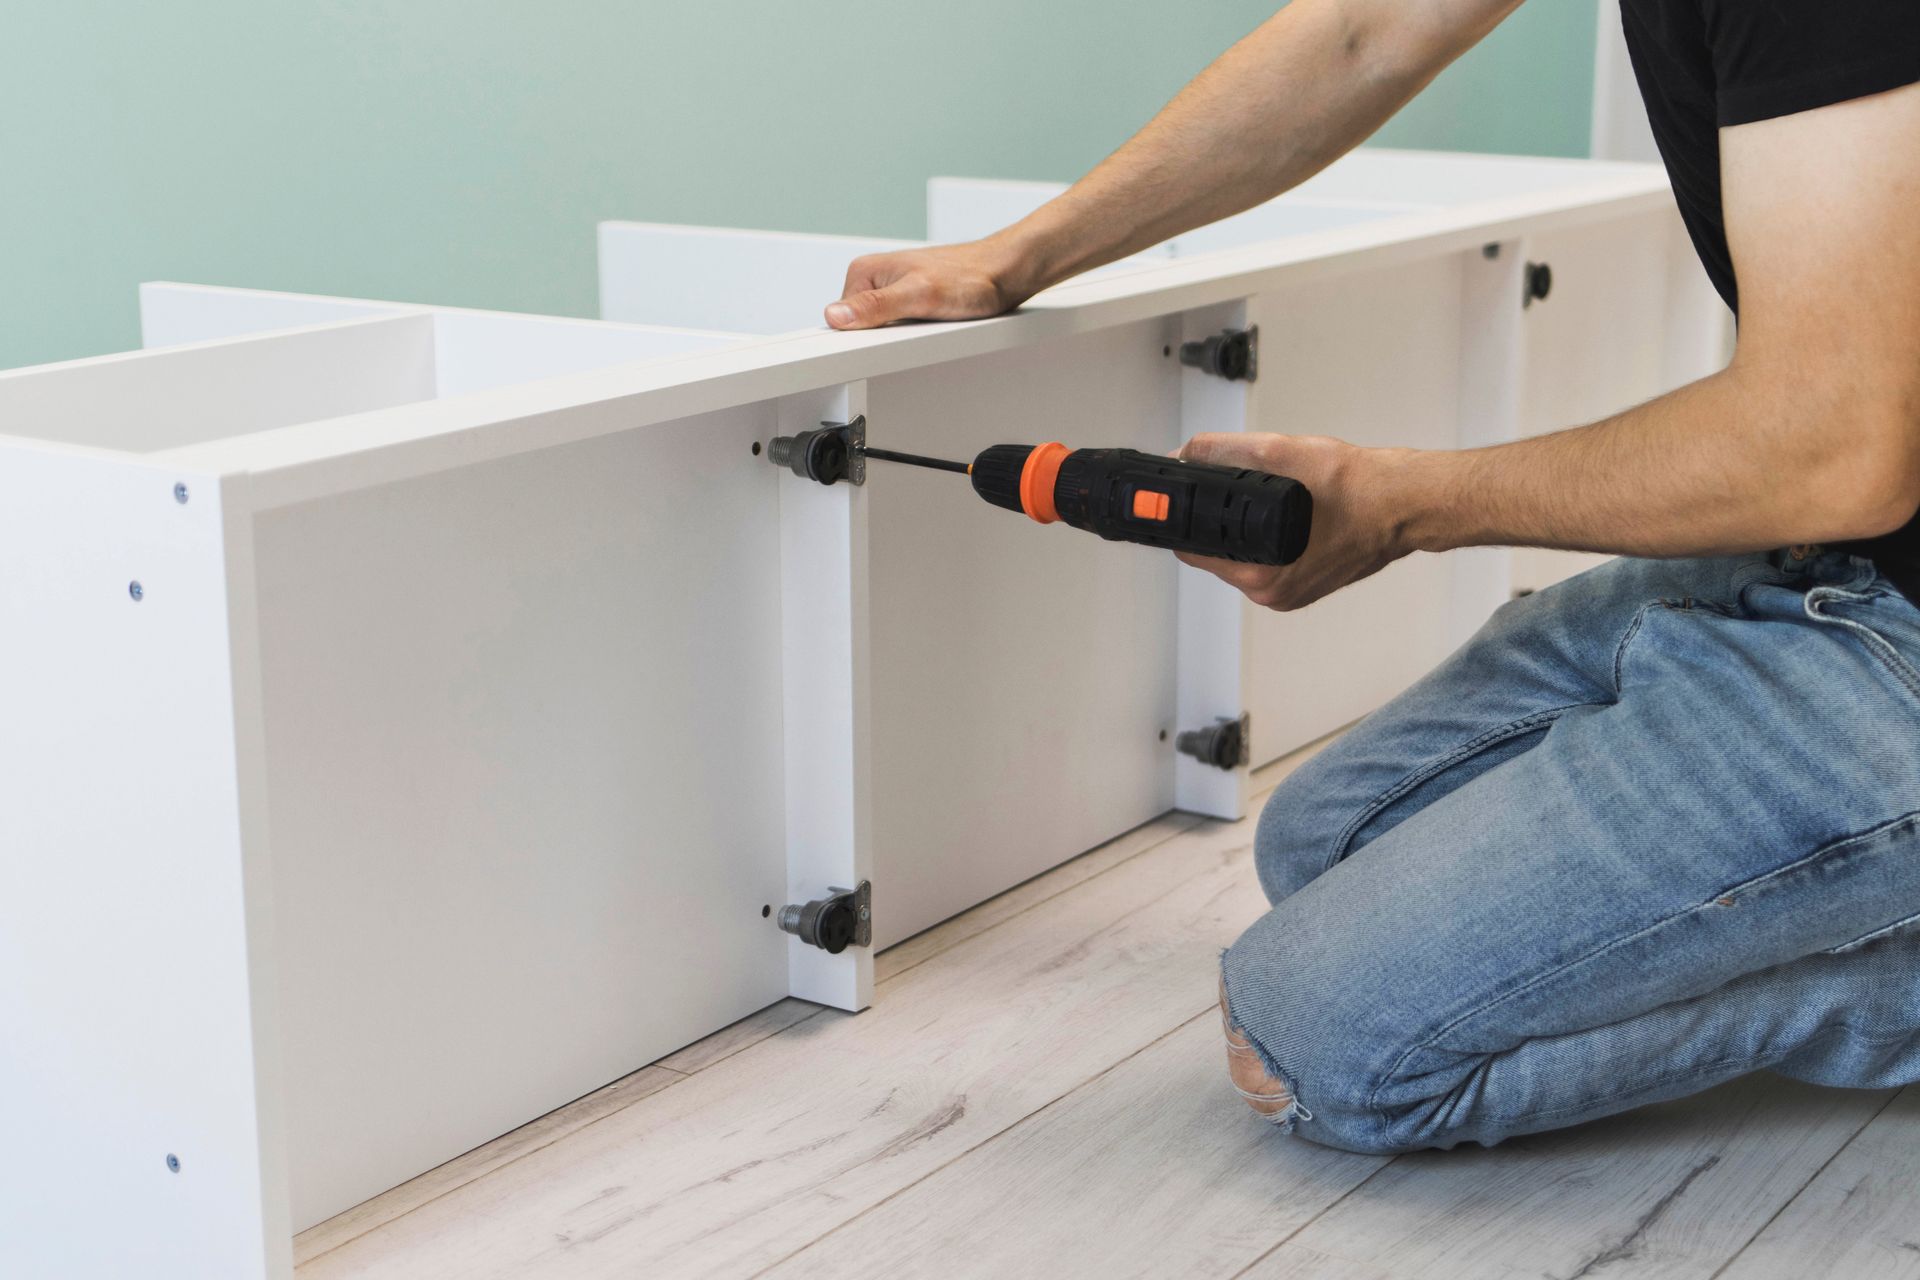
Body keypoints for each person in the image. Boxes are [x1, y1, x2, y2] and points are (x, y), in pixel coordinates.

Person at [824, 0, 1920, 1153]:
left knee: (1323, 1048)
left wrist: (1398, 505)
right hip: (1827, 564)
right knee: (1325, 843)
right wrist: (1020, 255)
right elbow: (1364, 29)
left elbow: (1830, 448)